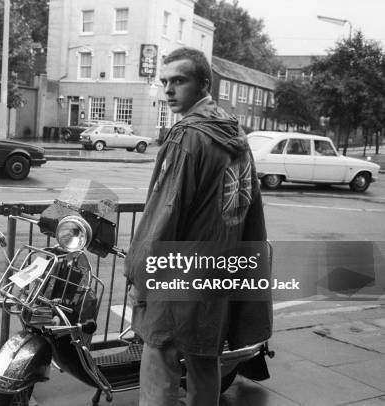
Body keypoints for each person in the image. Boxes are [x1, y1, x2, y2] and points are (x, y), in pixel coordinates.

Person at [124, 47, 271, 406]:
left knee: (159, 364)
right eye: (165, 82)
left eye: (179, 80)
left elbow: (163, 215)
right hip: (217, 274)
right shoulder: (235, 135)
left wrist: (137, 274)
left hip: (178, 276)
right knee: (206, 363)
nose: (169, 90)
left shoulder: (187, 137)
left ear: (203, 83)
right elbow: (251, 212)